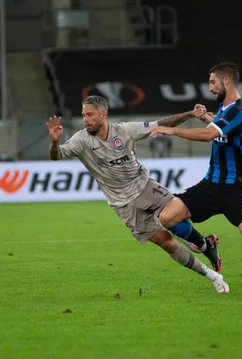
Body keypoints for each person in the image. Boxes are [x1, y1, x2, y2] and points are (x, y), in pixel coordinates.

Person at [46, 95, 228, 293]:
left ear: (103, 114)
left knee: (174, 217)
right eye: (83, 115)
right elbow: (57, 155)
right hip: (123, 204)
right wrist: (54, 142)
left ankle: (203, 244)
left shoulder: (125, 130)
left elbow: (161, 123)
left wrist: (191, 114)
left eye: (90, 114)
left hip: (145, 186)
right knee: (167, 243)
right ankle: (213, 276)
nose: (85, 119)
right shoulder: (81, 140)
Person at [150, 62, 242, 295]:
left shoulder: (240, 109)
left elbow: (209, 136)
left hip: (235, 187)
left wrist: (172, 130)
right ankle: (205, 244)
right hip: (211, 184)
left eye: (213, 82)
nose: (210, 87)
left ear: (226, 81)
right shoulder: (225, 110)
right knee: (167, 217)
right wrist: (209, 120)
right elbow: (220, 131)